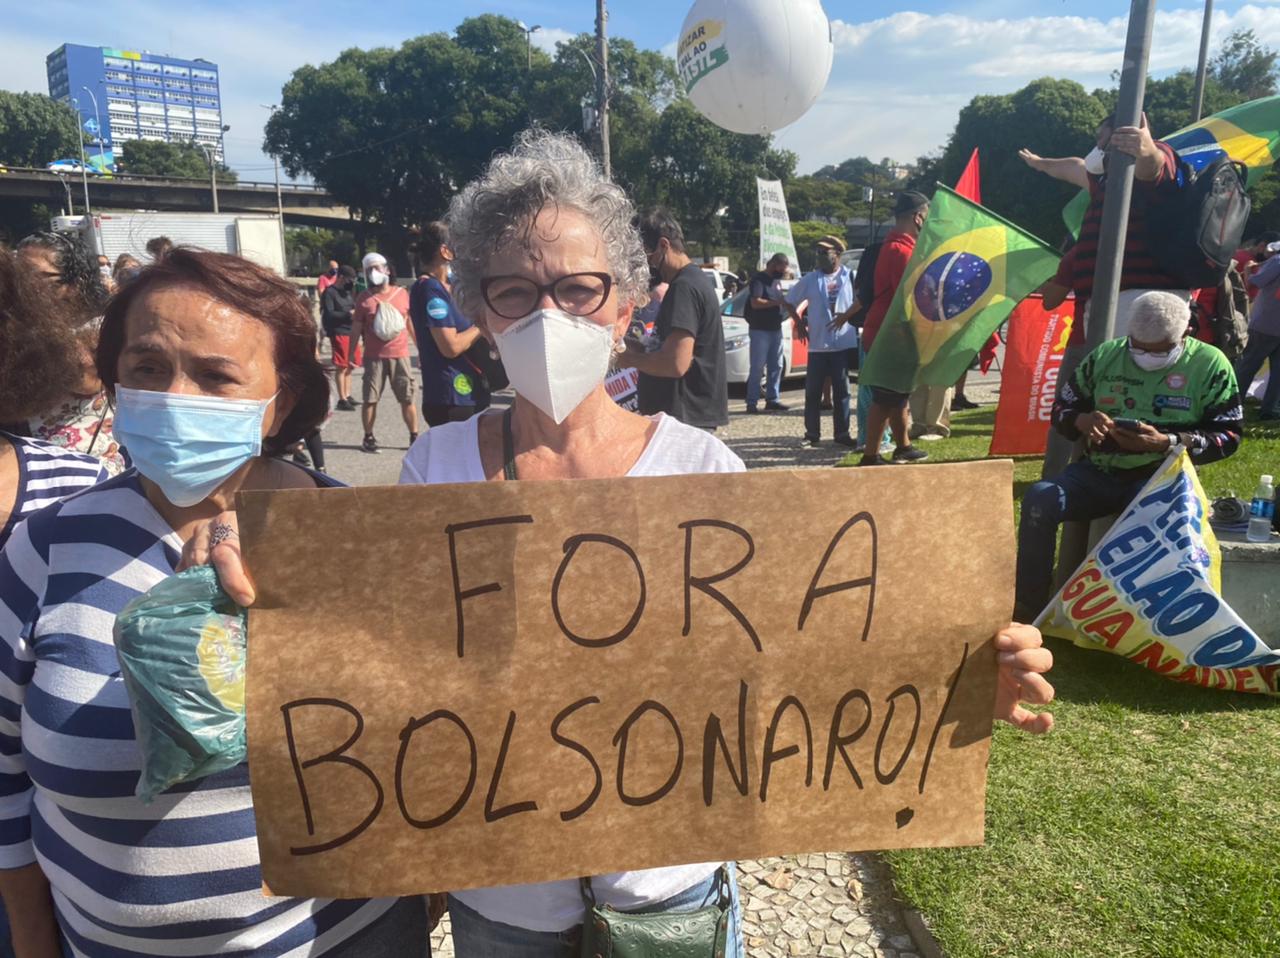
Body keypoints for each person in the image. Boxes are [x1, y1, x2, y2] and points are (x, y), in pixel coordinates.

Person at [178, 129, 1055, 958]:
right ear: (482, 307)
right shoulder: (434, 463)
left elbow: (794, 654)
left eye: (578, 288)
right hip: (505, 896)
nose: (547, 313)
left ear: (626, 304)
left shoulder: (700, 467)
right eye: (515, 291)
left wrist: (955, 675)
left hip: (665, 891)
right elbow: (392, 662)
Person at [0, 247, 429, 956]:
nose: (175, 397)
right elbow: (7, 787)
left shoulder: (355, 542)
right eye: (146, 369)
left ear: (279, 405)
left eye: (215, 376)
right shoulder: (43, 550)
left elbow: (431, 749)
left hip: (349, 939)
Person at [1014, 291, 1242, 620]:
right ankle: (1029, 606)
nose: (1146, 356)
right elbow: (1062, 408)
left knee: (1148, 519)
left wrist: (1167, 442)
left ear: (1185, 333)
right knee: (1040, 498)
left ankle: (1132, 616)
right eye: (1137, 347)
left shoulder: (1210, 364)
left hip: (1162, 478)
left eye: (1160, 350)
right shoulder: (1105, 355)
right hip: (1098, 472)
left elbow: (1229, 435)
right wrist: (1082, 420)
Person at [1018, 112, 1187, 348]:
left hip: (1135, 308)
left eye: (1101, 138)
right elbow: (1072, 167)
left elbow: (1152, 168)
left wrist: (1146, 150)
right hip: (1102, 311)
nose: (1097, 145)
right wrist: (1039, 163)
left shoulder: (1153, 160)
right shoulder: (1105, 179)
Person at [0, 246, 110, 552]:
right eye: (21, 269)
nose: (27, 282)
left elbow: (89, 381)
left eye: (39, 276)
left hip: (74, 452)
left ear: (72, 283)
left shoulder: (95, 329)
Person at [13, 232, 126, 473]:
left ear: (75, 283)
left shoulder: (99, 324)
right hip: (23, 459)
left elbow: (87, 381)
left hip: (81, 463)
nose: (21, 284)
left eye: (34, 277)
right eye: (17, 273)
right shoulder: (19, 324)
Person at [627, 209, 729, 432]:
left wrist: (627, 359)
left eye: (646, 255)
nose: (646, 264)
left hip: (684, 420)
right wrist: (639, 348)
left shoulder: (684, 287)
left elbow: (675, 363)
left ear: (663, 245)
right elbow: (669, 347)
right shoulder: (691, 282)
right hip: (684, 418)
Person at [858, 192, 933, 466]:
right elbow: (912, 296)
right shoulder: (901, 251)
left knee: (898, 394)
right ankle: (870, 454)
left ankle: (903, 446)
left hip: (889, 331)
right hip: (890, 334)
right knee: (885, 397)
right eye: (927, 215)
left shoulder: (896, 246)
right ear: (918, 217)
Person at [409, 221, 490, 427]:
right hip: (451, 396)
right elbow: (450, 347)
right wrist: (482, 325)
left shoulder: (451, 286)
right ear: (445, 251)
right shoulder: (430, 289)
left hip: (471, 390)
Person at [786, 236, 858, 447]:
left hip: (843, 343)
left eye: (824, 252)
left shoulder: (850, 277)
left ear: (837, 254)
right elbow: (789, 301)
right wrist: (799, 323)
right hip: (818, 345)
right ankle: (812, 434)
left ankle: (842, 433)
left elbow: (861, 302)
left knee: (842, 391)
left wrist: (846, 317)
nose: (820, 256)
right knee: (813, 392)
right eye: (818, 252)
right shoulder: (810, 279)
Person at [352, 251, 418, 453]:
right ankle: (368, 436)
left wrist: (420, 348)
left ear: (387, 270)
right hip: (374, 358)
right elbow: (355, 329)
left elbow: (410, 323)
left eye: (377, 267)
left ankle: (414, 436)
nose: (373, 272)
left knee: (407, 398)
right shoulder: (364, 299)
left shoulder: (402, 294)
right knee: (370, 399)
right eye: (369, 269)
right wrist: (350, 355)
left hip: (400, 355)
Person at [1234, 236, 1280, 420]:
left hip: (1266, 323)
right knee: (1278, 371)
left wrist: (1248, 271)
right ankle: (1269, 408)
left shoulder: (1277, 261)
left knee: (1248, 365)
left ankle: (1233, 403)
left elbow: (1257, 282)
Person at [744, 253, 792, 414]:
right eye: (781, 268)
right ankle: (751, 402)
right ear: (773, 264)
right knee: (757, 367)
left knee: (776, 366)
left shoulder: (776, 281)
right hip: (760, 330)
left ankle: (772, 399)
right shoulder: (758, 280)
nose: (782, 272)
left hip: (775, 328)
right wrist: (776, 303)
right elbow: (755, 302)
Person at [321, 264, 361, 408]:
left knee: (351, 365)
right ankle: (342, 399)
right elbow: (329, 314)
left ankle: (348, 394)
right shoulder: (329, 292)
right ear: (341, 277)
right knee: (342, 365)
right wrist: (347, 314)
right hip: (339, 331)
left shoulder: (347, 292)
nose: (350, 282)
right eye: (348, 279)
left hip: (351, 331)